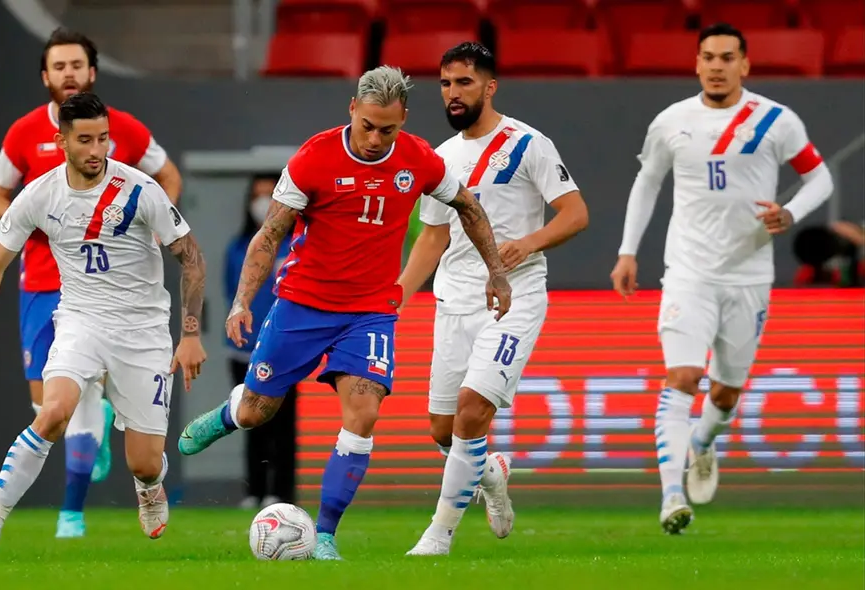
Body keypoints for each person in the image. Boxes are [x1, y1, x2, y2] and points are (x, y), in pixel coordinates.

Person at [178, 65, 512, 560]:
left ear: (404, 119)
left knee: (364, 413)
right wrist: (244, 300)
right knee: (257, 412)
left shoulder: (418, 159)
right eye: (368, 126)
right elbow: (270, 234)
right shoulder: (314, 159)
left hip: (369, 312)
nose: (376, 139)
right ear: (352, 110)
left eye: (388, 129)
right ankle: (232, 411)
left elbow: (468, 207)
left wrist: (497, 272)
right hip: (301, 304)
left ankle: (326, 534)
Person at [0, 93, 207, 561]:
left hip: (143, 332)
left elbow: (191, 259)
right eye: (85, 140)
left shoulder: (139, 189)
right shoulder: (39, 195)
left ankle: (150, 484)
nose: (97, 150)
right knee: (52, 414)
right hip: (80, 320)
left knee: (144, 461)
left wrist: (189, 334)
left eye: (104, 139)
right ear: (62, 140)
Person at [610, 23, 834, 534]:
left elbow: (820, 176)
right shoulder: (672, 121)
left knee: (727, 393)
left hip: (749, 275)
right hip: (688, 272)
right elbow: (647, 183)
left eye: (727, 57)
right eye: (708, 56)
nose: (716, 66)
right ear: (696, 64)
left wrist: (792, 212)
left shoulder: (776, 120)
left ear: (745, 65)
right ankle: (671, 497)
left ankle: (703, 445)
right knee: (683, 378)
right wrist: (627, 251)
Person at [0, 27, 184, 538]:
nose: (69, 73)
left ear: (91, 72)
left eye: (77, 65)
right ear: (45, 76)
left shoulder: (124, 132)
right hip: (44, 285)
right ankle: (86, 442)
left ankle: (72, 511)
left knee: (83, 414)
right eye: (59, 66)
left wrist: (155, 237)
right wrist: (24, 224)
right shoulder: (23, 133)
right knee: (46, 406)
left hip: (116, 296)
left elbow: (169, 180)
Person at [397, 42, 589, 556]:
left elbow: (575, 213)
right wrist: (395, 297)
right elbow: (432, 238)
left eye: (464, 82)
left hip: (514, 299)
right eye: (445, 84)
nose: (453, 93)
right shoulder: (440, 158)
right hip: (453, 302)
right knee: (444, 428)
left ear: (489, 86)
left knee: (471, 410)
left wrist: (527, 244)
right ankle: (491, 474)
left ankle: (439, 535)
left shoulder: (529, 144)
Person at [225, 173, 297, 508]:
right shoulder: (238, 248)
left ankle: (281, 492)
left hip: (284, 350)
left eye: (270, 194)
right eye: (257, 195)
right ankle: (253, 491)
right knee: (249, 420)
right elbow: (231, 293)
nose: (262, 202)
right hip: (243, 352)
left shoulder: (293, 244)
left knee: (282, 424)